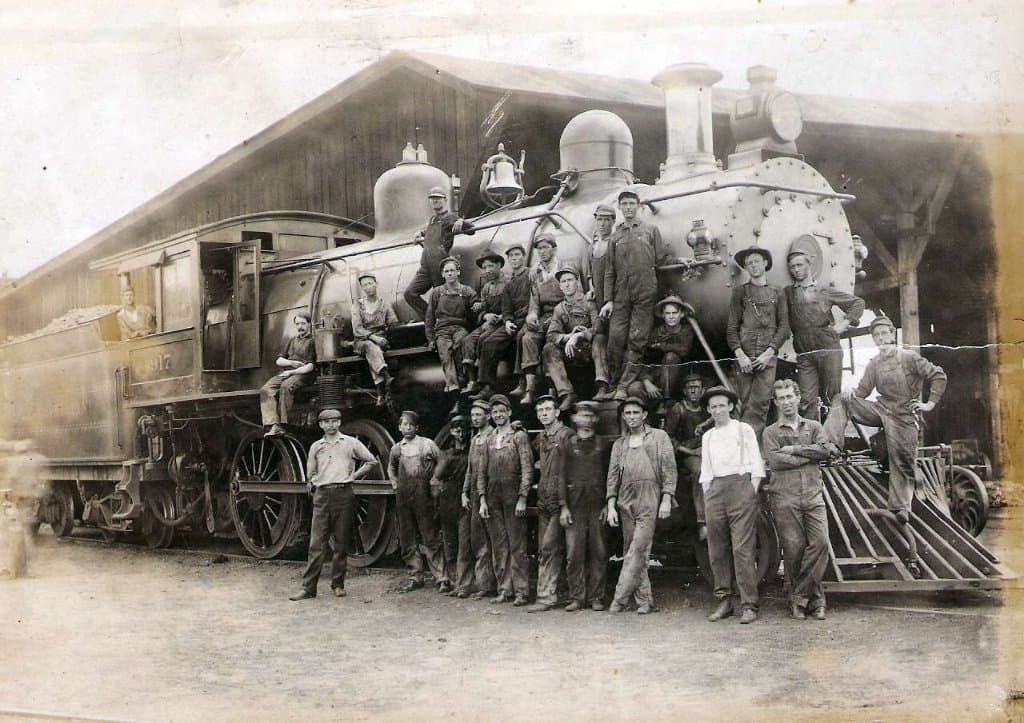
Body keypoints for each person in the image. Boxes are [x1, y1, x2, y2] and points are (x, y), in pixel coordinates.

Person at [823, 313, 946, 527]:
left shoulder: (909, 358)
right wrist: (849, 390)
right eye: (876, 335)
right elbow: (862, 392)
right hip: (880, 411)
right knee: (841, 399)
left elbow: (938, 375)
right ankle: (828, 444)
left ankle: (900, 509)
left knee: (903, 462)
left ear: (892, 334)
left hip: (904, 416)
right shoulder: (874, 364)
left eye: (884, 333)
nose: (881, 338)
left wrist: (929, 404)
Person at [601, 190, 686, 401]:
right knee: (615, 340)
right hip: (621, 294)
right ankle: (613, 384)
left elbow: (661, 259)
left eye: (632, 204)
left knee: (637, 340)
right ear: (620, 208)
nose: (628, 208)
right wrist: (608, 300)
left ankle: (623, 386)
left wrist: (681, 260)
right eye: (625, 204)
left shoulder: (650, 230)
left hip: (645, 293)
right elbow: (610, 271)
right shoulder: (615, 236)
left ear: (638, 207)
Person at [290, 409, 378, 600]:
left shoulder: (350, 443)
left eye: (334, 421)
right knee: (316, 543)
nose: (331, 425)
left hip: (344, 494)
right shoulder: (316, 446)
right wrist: (313, 484)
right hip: (322, 495)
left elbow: (371, 461)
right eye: (326, 422)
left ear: (339, 422)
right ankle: (308, 588)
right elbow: (311, 474)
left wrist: (352, 476)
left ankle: (338, 584)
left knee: (341, 542)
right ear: (320, 425)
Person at [762, 380, 831, 620]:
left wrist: (792, 450)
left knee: (821, 542)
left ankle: (799, 597)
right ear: (775, 402)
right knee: (794, 550)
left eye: (790, 396)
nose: (786, 402)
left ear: (798, 398)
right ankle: (817, 602)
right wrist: (808, 454)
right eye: (781, 398)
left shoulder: (813, 426)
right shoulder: (770, 432)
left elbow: (825, 450)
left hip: (813, 494)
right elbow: (775, 461)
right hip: (785, 497)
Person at [699, 385, 765, 624]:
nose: (718, 410)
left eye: (722, 405)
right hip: (715, 490)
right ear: (708, 409)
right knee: (717, 549)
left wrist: (750, 491)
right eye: (713, 406)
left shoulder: (742, 429)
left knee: (742, 549)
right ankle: (724, 601)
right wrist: (709, 494)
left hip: (741, 488)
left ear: (730, 407)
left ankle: (749, 604)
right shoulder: (707, 436)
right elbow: (706, 471)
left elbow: (756, 464)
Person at [606, 396, 676, 614]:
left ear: (645, 414)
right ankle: (644, 601)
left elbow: (669, 469)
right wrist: (610, 505)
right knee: (633, 550)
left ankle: (619, 598)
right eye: (628, 413)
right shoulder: (620, 444)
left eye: (636, 412)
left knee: (637, 549)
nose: (632, 417)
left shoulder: (658, 437)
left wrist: (666, 497)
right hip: (625, 500)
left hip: (649, 497)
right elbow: (612, 476)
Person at [784, 250, 865, 420]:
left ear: (809, 265)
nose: (796, 270)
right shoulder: (788, 293)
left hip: (828, 346)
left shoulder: (824, 291)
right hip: (804, 350)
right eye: (792, 267)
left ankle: (833, 442)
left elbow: (857, 303)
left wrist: (843, 324)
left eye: (799, 265)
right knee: (806, 400)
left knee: (832, 397)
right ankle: (813, 442)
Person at [726, 246, 790, 439]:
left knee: (761, 403)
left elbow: (784, 326)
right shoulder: (740, 292)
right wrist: (740, 355)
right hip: (744, 355)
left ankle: (753, 450)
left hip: (767, 356)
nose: (753, 266)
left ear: (765, 263)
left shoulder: (778, 292)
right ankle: (745, 449)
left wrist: (769, 353)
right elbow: (731, 328)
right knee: (743, 402)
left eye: (756, 261)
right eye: (749, 263)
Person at [477, 394, 534, 606]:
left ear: (509, 412)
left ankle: (521, 591)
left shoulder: (518, 437)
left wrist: (522, 498)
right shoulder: (489, 440)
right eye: (495, 412)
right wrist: (482, 499)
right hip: (493, 496)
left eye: (502, 411)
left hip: (512, 495)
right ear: (491, 416)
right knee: (499, 546)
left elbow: (527, 469)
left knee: (517, 545)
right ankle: (504, 589)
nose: (499, 415)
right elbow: (481, 472)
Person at [387, 410, 452, 593]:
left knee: (430, 537)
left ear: (417, 427)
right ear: (400, 427)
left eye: (411, 425)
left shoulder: (427, 444)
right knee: (408, 538)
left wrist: (435, 478)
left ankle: (441, 577)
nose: (407, 428)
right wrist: (394, 482)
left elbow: (443, 459)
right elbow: (391, 467)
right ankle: (415, 576)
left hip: (424, 497)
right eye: (404, 425)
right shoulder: (397, 449)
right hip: (404, 498)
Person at [560, 401, 609, 611]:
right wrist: (563, 506)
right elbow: (561, 476)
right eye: (582, 415)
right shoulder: (568, 444)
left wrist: (609, 503)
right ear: (574, 419)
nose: (586, 419)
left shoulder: (603, 444)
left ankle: (597, 597)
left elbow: (611, 475)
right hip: (575, 506)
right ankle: (577, 597)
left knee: (598, 551)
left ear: (596, 419)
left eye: (590, 416)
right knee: (574, 553)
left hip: (598, 505)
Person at [528, 394, 575, 612]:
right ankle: (556, 592)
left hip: (560, 500)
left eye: (548, 409)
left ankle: (547, 597)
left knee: (549, 547)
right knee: (546, 548)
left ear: (557, 412)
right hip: (544, 501)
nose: (544, 414)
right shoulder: (542, 438)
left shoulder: (567, 435)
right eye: (540, 411)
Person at [543, 265, 610, 411]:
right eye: (563, 281)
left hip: (589, 350)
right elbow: (551, 335)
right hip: (571, 352)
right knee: (549, 348)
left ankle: (603, 386)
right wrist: (568, 338)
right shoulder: (559, 309)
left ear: (577, 282)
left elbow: (598, 327)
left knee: (599, 338)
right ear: (560, 286)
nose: (567, 284)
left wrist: (579, 335)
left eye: (570, 280)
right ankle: (566, 393)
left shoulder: (589, 302)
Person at [403, 186, 474, 319]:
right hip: (425, 267)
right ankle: (430, 319)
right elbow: (430, 231)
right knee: (410, 293)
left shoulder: (451, 217)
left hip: (439, 266)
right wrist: (420, 233)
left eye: (438, 198)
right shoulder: (432, 220)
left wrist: (462, 222)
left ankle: (443, 324)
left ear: (445, 200)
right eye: (432, 198)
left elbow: (472, 230)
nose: (435, 201)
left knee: (441, 299)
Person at [515, 233, 564, 405]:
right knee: (528, 337)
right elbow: (534, 300)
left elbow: (572, 294)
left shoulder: (563, 267)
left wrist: (558, 315)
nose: (542, 252)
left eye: (545, 247)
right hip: (545, 315)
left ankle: (553, 389)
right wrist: (532, 314)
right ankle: (530, 389)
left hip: (562, 314)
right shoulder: (536, 272)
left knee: (549, 344)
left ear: (554, 248)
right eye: (539, 248)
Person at [477, 244, 529, 398]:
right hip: (513, 320)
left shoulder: (531, 274)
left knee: (522, 338)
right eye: (511, 256)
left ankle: (523, 382)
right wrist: (507, 320)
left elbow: (536, 298)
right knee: (487, 340)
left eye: (517, 255)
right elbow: (506, 307)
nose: (514, 259)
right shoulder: (509, 282)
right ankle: (487, 385)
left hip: (528, 317)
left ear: (523, 256)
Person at [664, 372, 711, 539]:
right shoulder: (678, 409)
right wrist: (690, 451)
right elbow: (668, 437)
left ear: (703, 390)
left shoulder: (707, 409)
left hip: (706, 450)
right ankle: (702, 521)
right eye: (690, 388)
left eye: (696, 387)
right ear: (684, 391)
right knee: (700, 470)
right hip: (685, 454)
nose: (693, 391)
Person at [425, 256, 478, 395]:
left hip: (460, 327)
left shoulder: (466, 290)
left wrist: (477, 305)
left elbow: (476, 302)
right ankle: (453, 385)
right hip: (442, 330)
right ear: (442, 274)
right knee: (445, 353)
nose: (450, 273)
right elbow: (429, 316)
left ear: (458, 272)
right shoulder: (436, 292)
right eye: (447, 271)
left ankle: (463, 379)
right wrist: (430, 339)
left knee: (460, 345)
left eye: (452, 270)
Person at [261, 311, 317, 437]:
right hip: (288, 372)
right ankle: (272, 423)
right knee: (266, 389)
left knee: (285, 387)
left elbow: (310, 366)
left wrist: (292, 371)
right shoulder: (292, 341)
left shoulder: (312, 341)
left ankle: (283, 425)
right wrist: (291, 363)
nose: (300, 326)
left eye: (303, 323)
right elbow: (279, 360)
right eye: (297, 324)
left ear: (309, 324)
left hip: (304, 375)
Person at [462, 398, 497, 599]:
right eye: (473, 415)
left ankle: (495, 585)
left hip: (491, 492)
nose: (475, 418)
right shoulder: (475, 439)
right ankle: (484, 584)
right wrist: (464, 492)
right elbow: (470, 468)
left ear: (487, 416)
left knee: (493, 540)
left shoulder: (494, 436)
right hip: (475, 493)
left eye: (478, 415)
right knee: (479, 540)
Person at [461, 251, 507, 394]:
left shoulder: (508, 283)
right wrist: (486, 315)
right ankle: (472, 380)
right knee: (467, 340)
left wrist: (500, 317)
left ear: (499, 265)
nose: (488, 270)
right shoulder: (486, 288)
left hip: (503, 322)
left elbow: (514, 306)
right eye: (485, 267)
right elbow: (483, 309)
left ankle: (487, 385)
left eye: (491, 266)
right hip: (489, 323)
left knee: (485, 340)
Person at [438, 415, 473, 597]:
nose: (460, 433)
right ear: (451, 432)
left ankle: (464, 585)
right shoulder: (446, 453)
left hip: (464, 501)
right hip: (447, 501)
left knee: (464, 545)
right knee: (450, 544)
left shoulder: (471, 452)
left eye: (462, 429)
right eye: (456, 429)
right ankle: (453, 582)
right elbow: (438, 474)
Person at [352, 271, 399, 406]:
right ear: (362, 288)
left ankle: (381, 393)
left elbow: (393, 323)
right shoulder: (358, 306)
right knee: (370, 346)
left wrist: (388, 333)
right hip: (361, 341)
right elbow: (357, 329)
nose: (368, 287)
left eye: (370, 283)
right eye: (364, 285)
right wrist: (374, 338)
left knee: (373, 352)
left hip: (380, 338)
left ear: (376, 284)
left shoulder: (384, 304)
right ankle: (386, 376)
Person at [585, 204, 616, 399]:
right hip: (598, 304)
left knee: (616, 340)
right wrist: (591, 287)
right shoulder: (592, 248)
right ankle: (603, 384)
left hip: (614, 301)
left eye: (607, 220)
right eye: (600, 220)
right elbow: (589, 273)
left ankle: (617, 384)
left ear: (613, 222)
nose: (603, 224)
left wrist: (611, 299)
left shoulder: (615, 243)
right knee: (598, 339)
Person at [645, 295, 696, 403]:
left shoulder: (686, 331)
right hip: (656, 374)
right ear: (663, 315)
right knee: (635, 388)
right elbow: (644, 357)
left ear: (681, 314)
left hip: (680, 375)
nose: (671, 316)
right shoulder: (656, 333)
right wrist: (646, 380)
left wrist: (661, 346)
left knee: (671, 357)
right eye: (668, 313)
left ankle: (666, 401)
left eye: (674, 313)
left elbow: (684, 350)